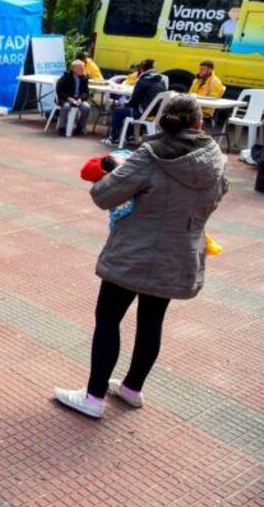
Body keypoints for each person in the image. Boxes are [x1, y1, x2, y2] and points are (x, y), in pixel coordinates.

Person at [54, 94, 228, 418]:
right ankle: (132, 388)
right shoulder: (216, 159)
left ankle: (93, 397)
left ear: (162, 122)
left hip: (134, 252)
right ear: (199, 123)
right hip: (179, 255)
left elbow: (104, 195)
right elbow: (217, 195)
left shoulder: (150, 155)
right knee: (152, 322)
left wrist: (116, 169)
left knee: (108, 319)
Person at [102, 59, 164, 146]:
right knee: (129, 110)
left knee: (118, 111)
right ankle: (129, 136)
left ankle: (113, 138)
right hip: (156, 113)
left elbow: (134, 101)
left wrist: (124, 103)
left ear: (142, 69)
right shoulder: (161, 80)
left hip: (143, 113)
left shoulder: (143, 81)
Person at [56, 60, 92, 136]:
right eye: (81, 68)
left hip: (78, 99)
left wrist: (81, 99)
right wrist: (69, 98)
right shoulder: (66, 77)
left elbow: (86, 92)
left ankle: (80, 126)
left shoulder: (84, 79)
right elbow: (60, 91)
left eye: (83, 68)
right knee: (66, 107)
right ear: (74, 69)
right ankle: (62, 127)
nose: (83, 70)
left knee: (86, 107)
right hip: (66, 99)